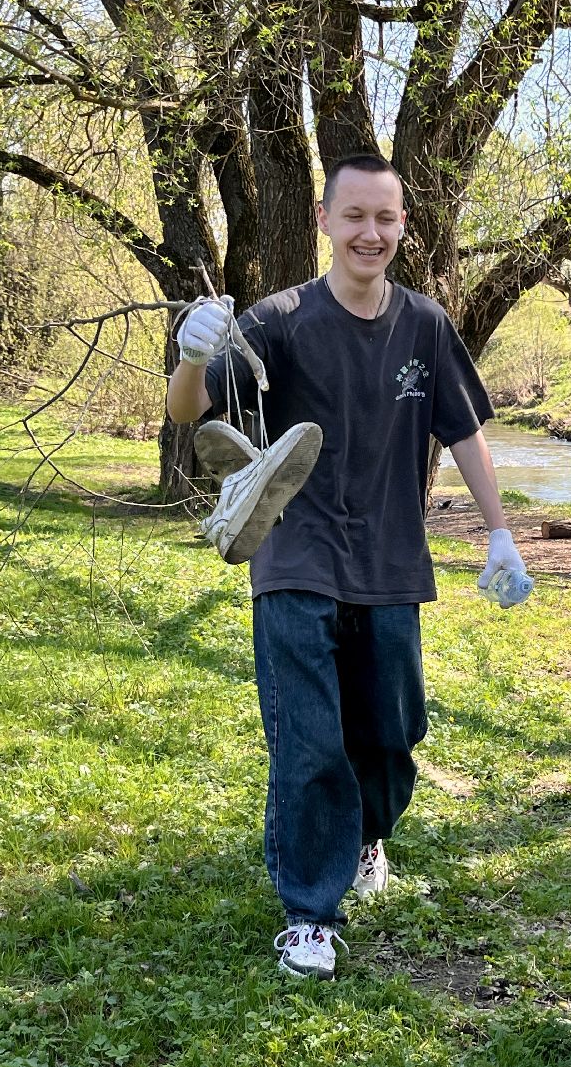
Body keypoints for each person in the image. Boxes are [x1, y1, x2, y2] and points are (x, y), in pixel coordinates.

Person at [165, 153, 528, 980]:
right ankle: (309, 913)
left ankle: (364, 835)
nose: (371, 232)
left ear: (402, 225)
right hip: (293, 555)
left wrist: (501, 531)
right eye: (354, 215)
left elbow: (464, 430)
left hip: (391, 562)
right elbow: (189, 410)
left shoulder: (425, 325)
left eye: (385, 217)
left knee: (393, 734)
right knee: (309, 740)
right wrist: (191, 356)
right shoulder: (280, 320)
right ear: (324, 221)